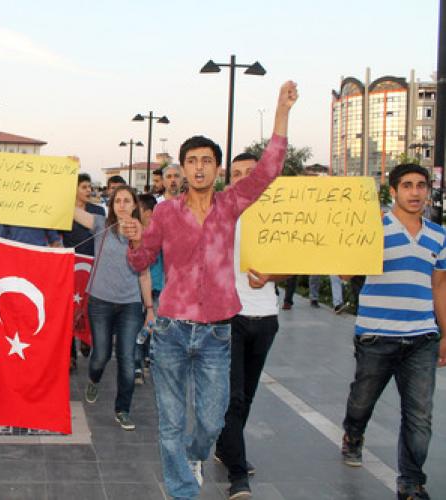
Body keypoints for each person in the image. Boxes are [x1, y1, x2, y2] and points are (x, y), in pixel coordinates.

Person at [123, 81, 297, 499]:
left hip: (219, 331)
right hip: (171, 331)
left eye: (206, 161)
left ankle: (195, 454)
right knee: (168, 420)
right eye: (191, 161)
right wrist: (134, 239)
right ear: (181, 169)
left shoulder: (231, 203)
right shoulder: (164, 214)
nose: (198, 167)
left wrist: (281, 112)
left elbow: (269, 168)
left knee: (212, 420)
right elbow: (140, 262)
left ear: (217, 169)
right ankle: (183, 489)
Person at [340, 163, 446, 500]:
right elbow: (345, 275)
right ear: (394, 190)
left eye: (421, 185)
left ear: (428, 190)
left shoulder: (438, 236)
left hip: (422, 338)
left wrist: (445, 334)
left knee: (419, 416)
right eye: (408, 185)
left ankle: (411, 483)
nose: (415, 192)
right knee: (362, 402)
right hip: (376, 335)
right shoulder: (372, 229)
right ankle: (353, 435)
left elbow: (440, 288)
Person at [214, 153, 286, 498]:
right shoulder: (221, 217)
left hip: (266, 318)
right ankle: (238, 475)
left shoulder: (277, 218)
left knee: (248, 396)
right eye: (237, 174)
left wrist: (273, 275)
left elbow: (293, 265)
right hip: (230, 317)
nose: (243, 178)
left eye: (250, 173)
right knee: (234, 397)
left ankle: (226, 446)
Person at [74, 185, 154, 431]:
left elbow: (144, 274)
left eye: (127, 200)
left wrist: (149, 308)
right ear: (112, 205)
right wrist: (66, 176)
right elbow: (70, 210)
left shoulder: (143, 235)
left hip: (130, 304)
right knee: (100, 356)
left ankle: (122, 410)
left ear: (134, 205)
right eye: (117, 200)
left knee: (127, 360)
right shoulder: (100, 224)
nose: (121, 204)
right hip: (100, 302)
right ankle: (94, 379)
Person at [60, 173, 106, 369]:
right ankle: (70, 355)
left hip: (92, 268)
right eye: (84, 187)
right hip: (70, 267)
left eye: (90, 187)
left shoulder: (98, 211)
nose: (89, 190)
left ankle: (86, 339)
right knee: (69, 309)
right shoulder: (63, 212)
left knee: (89, 307)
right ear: (74, 190)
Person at [134, 193, 162, 385]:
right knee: (137, 326)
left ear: (148, 213)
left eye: (138, 210)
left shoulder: (160, 234)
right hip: (136, 289)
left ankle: (147, 358)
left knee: (151, 327)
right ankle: (137, 363)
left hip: (157, 289)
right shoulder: (133, 235)